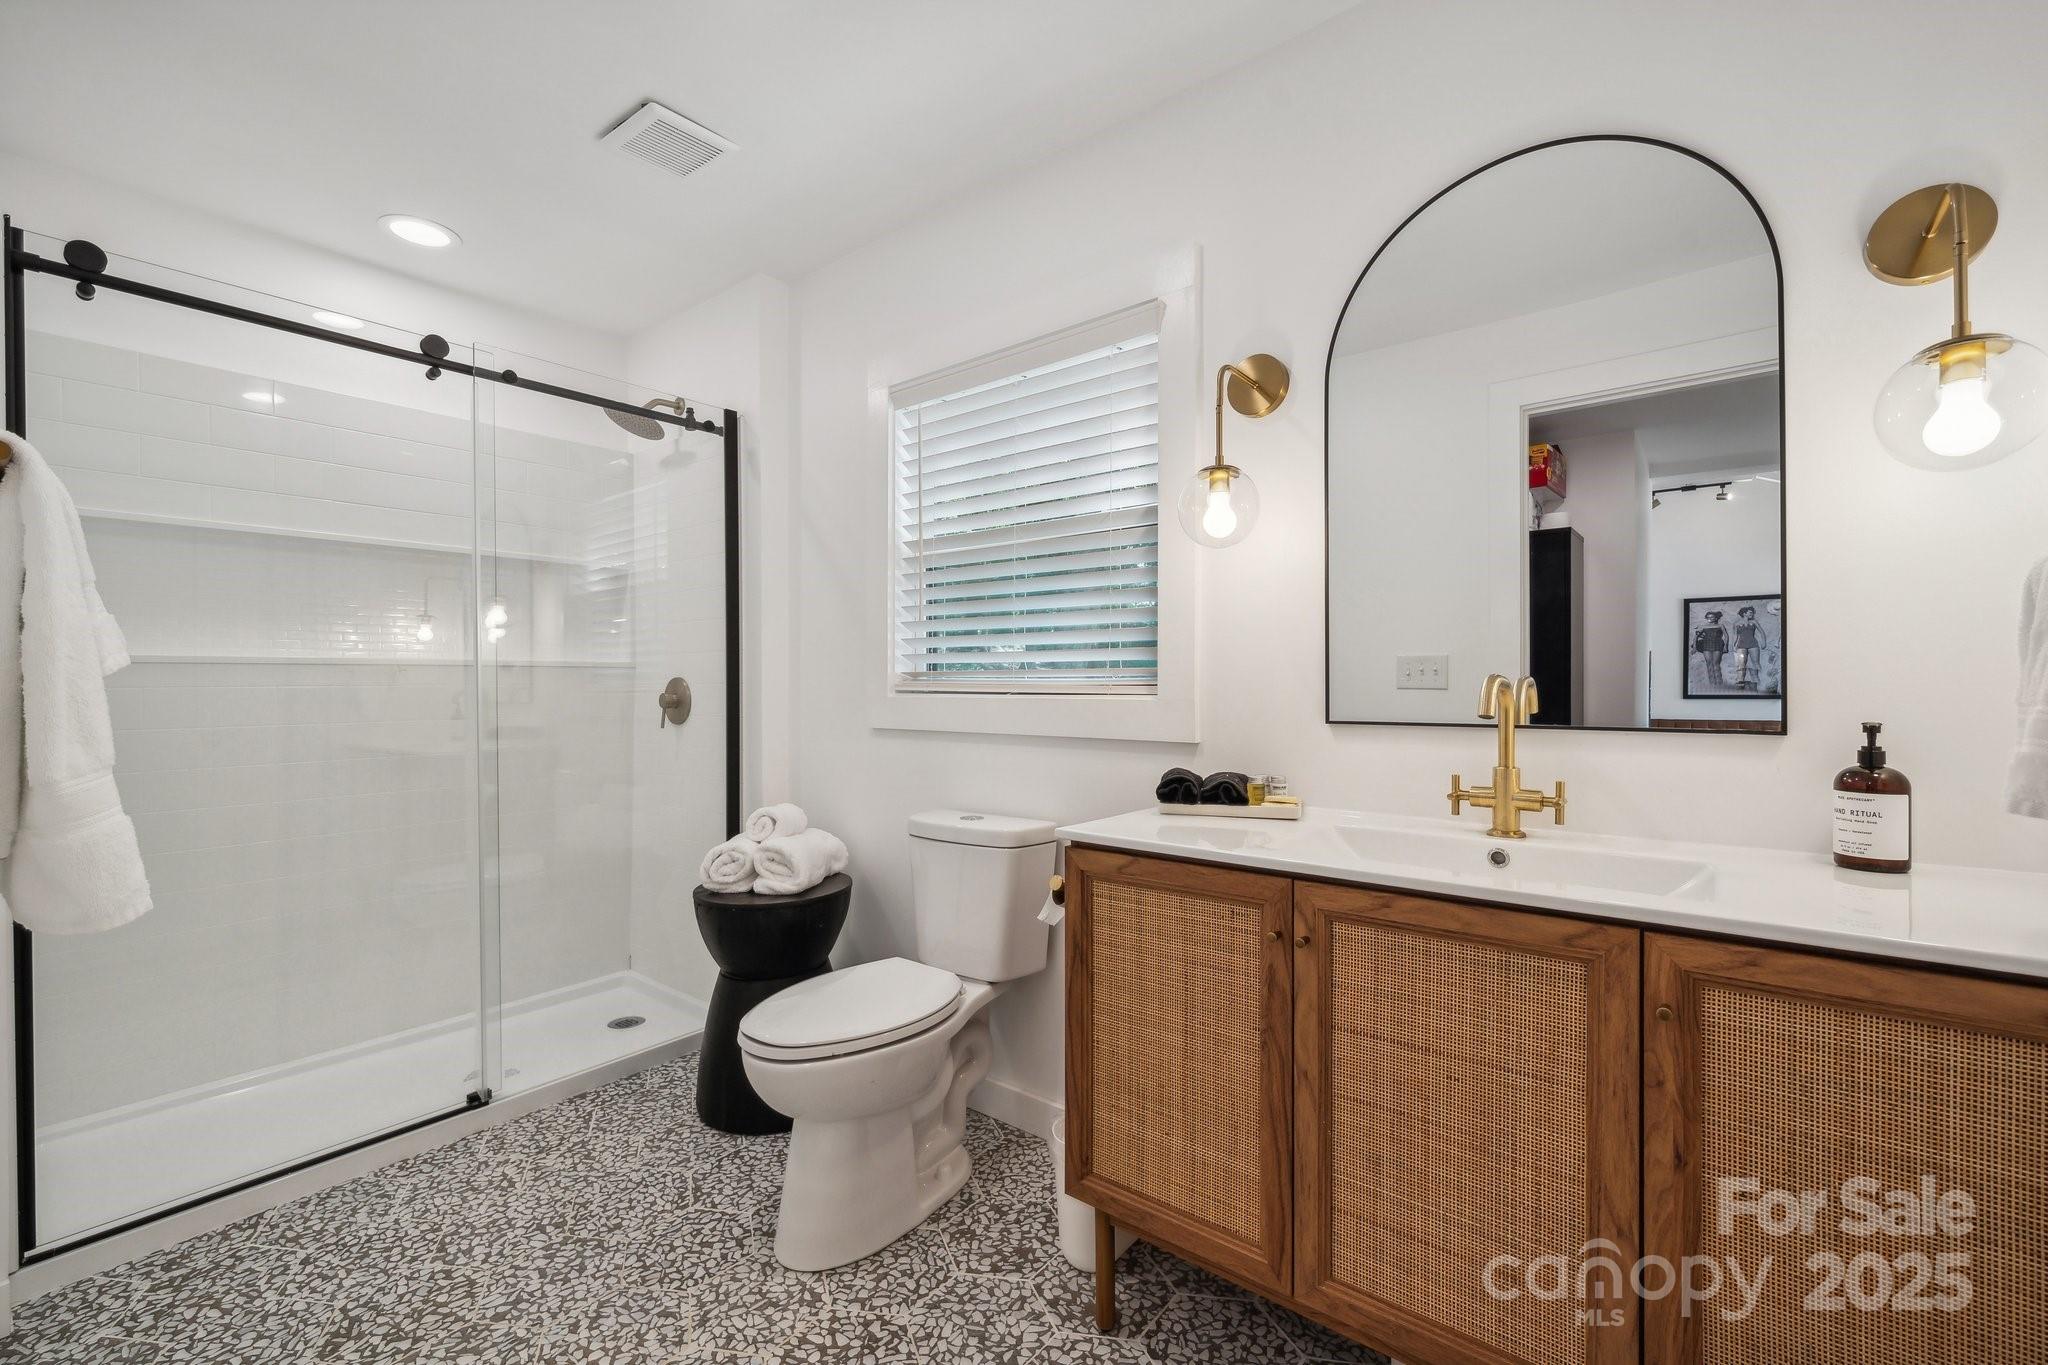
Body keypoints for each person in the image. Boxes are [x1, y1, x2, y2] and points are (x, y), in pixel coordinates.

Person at [1730, 604, 1767, 691]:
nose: (1752, 614)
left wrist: (1763, 642)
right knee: (1741, 664)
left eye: (1752, 613)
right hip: (1741, 645)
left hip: (1753, 644)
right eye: (1750, 612)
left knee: (1756, 663)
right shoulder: (1736, 623)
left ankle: (1756, 683)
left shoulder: (1754, 622)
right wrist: (1733, 645)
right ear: (1744, 613)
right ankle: (1741, 683)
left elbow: (1762, 632)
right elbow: (1735, 635)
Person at [1692, 609, 1728, 689]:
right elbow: (1695, 637)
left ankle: (1719, 683)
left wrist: (1725, 646)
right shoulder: (1702, 626)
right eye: (1708, 617)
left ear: (1715, 618)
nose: (1710, 618)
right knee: (1709, 663)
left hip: (1718, 644)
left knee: (1716, 663)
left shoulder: (1720, 625)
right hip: (1706, 645)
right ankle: (1712, 683)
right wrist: (1694, 647)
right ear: (1706, 618)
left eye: (1712, 617)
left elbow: (1726, 636)